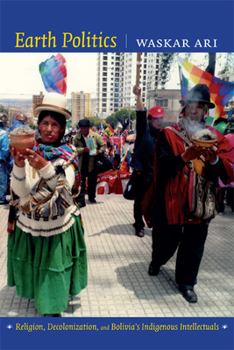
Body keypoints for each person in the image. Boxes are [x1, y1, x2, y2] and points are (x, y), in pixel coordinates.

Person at [147, 84, 233, 303]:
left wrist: (213, 158)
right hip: (173, 199)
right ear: (184, 109)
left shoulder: (215, 137)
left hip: (202, 200)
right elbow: (163, 166)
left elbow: (226, 169)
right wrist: (185, 156)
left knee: (194, 244)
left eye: (200, 106)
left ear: (206, 111)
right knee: (166, 240)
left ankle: (187, 283)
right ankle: (158, 260)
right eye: (191, 105)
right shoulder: (169, 134)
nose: (195, 110)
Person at [7, 92, 87, 316]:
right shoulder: (30, 152)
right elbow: (21, 192)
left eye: (54, 124)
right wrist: (20, 165)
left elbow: (64, 193)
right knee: (36, 266)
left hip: (56, 226)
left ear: (62, 128)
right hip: (31, 224)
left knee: (53, 270)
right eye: (44, 123)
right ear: (38, 126)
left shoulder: (68, 155)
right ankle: (40, 297)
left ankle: (53, 308)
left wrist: (44, 166)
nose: (49, 128)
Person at [130, 85, 166, 237]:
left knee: (156, 201)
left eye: (161, 119)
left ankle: (156, 223)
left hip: (156, 175)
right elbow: (140, 112)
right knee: (139, 201)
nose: (159, 121)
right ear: (149, 120)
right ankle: (139, 225)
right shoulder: (143, 129)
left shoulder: (165, 134)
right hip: (142, 173)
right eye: (155, 119)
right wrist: (138, 97)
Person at [73, 119, 106, 207]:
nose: (83, 130)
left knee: (92, 182)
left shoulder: (96, 136)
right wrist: (83, 150)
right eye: (81, 128)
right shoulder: (76, 137)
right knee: (81, 182)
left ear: (89, 128)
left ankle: (91, 197)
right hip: (82, 163)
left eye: (85, 128)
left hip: (93, 162)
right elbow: (73, 149)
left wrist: (99, 151)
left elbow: (103, 145)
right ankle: (81, 200)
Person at [219, 116, 234, 213]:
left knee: (222, 188)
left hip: (225, 164)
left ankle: (221, 209)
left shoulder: (225, 138)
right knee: (233, 190)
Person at [0, 113, 10, 204]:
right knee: (2, 181)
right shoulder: (4, 134)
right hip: (1, 161)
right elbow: (6, 150)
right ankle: (1, 199)